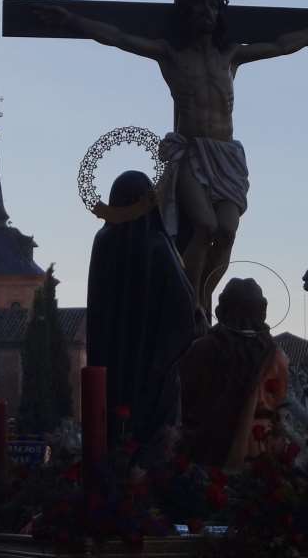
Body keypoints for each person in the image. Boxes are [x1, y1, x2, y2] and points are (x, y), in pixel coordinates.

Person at [36, 0, 308, 316]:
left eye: (212, 8)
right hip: (191, 152)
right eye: (199, 8)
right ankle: (191, 300)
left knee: (227, 231)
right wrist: (72, 20)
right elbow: (117, 37)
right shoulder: (170, 55)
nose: (207, 14)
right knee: (205, 226)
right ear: (187, 16)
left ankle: (206, 294)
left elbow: (282, 46)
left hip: (226, 155)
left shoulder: (229, 56)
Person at [86, 169, 201, 466]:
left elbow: (98, 313)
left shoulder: (103, 243)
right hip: (154, 373)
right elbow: (184, 314)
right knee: (155, 448)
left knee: (118, 437)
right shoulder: (159, 246)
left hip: (112, 369)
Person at [178, 276, 288, 470]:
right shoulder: (277, 356)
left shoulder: (202, 348)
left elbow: (184, 401)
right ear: (262, 311)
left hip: (208, 450)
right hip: (258, 448)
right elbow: (279, 406)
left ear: (222, 310)